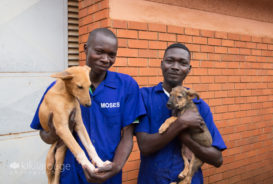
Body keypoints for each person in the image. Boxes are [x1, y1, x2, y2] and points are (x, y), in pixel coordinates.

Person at [30, 28, 146, 184]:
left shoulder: (126, 85)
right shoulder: (59, 88)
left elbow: (127, 135)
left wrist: (116, 167)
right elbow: (44, 133)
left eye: (112, 55)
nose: (106, 59)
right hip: (69, 177)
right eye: (99, 52)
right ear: (86, 48)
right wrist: (54, 133)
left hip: (108, 174)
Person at [135, 43, 227, 184]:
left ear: (188, 69)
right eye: (170, 61)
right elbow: (145, 147)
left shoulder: (200, 106)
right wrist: (181, 123)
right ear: (162, 64)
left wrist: (187, 140)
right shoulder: (144, 97)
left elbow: (217, 159)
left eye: (182, 63)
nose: (175, 67)